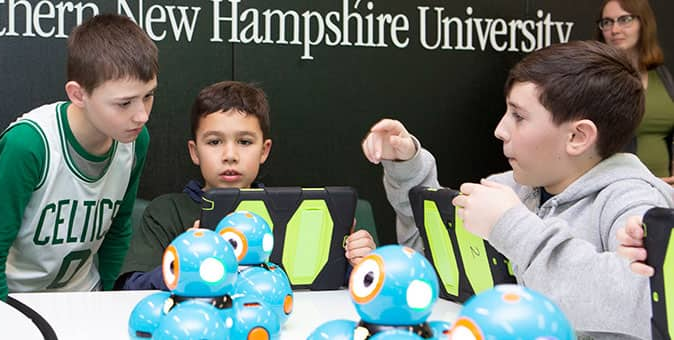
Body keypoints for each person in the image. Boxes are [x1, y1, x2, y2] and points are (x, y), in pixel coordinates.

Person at [362, 41, 672, 339]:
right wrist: (408, 169)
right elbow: (434, 269)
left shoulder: (636, 203)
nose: (500, 129)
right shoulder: (508, 188)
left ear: (578, 136)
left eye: (519, 116)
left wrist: (511, 227)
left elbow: (646, 302)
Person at [117, 81, 376, 290]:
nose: (230, 155)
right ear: (195, 152)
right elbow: (132, 285)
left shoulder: (297, 213)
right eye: (215, 142)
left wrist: (360, 264)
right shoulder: (167, 211)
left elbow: (341, 282)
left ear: (264, 151)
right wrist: (184, 265)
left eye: (244, 142)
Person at [0, 14, 157, 299]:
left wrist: (111, 305)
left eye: (148, 96)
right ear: (79, 95)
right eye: (124, 103)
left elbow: (118, 232)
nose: (141, 115)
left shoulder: (134, 140)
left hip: (83, 295)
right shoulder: (29, 144)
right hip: (15, 296)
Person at [597, 0, 674, 183]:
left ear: (643, 24)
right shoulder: (595, 78)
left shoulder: (662, 75)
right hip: (617, 189)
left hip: (665, 192)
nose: (614, 30)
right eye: (607, 22)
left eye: (625, 19)